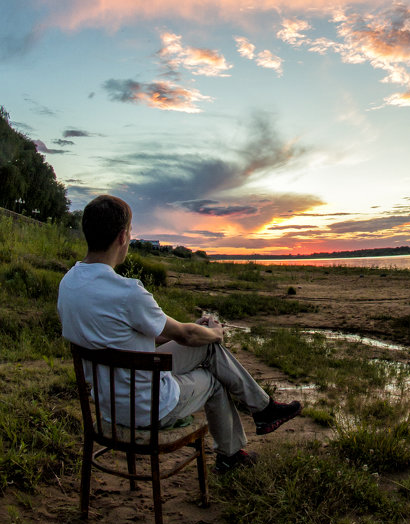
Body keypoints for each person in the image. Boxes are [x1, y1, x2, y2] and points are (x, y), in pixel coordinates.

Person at [58, 194, 301, 474]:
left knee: (207, 347)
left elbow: (149, 334)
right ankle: (231, 455)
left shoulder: (69, 284)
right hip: (148, 407)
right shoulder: (128, 292)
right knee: (213, 380)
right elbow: (184, 337)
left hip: (110, 403)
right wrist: (216, 333)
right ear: (123, 237)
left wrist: (200, 331)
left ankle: (263, 410)